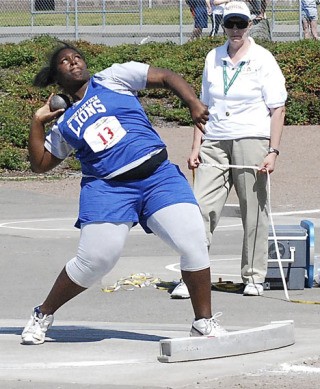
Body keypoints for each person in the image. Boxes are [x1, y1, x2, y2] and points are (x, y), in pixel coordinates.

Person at [21, 42, 229, 345]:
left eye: (77, 57)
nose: (75, 62)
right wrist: (38, 123)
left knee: (194, 241)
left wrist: (193, 103)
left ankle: (203, 322)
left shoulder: (113, 78)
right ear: (56, 75)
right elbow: (40, 164)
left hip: (158, 177)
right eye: (65, 62)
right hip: (109, 188)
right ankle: (43, 313)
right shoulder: (64, 123)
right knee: (95, 261)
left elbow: (167, 77)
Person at [171, 1, 287, 299]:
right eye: (229, 24)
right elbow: (202, 107)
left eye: (241, 24)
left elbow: (277, 108)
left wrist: (272, 151)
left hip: (252, 138)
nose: (235, 30)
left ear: (250, 25)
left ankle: (253, 276)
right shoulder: (213, 56)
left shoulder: (263, 59)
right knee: (199, 208)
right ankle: (191, 275)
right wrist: (196, 146)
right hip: (215, 139)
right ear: (223, 25)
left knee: (254, 210)